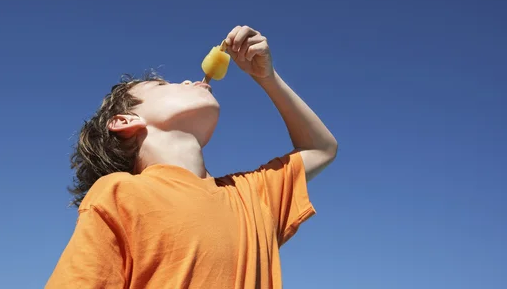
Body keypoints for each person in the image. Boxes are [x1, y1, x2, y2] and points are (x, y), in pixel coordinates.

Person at [46, 25, 338, 288]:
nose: (187, 80)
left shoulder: (253, 194)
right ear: (124, 121)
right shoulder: (119, 195)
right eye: (161, 86)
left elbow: (321, 149)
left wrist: (267, 78)